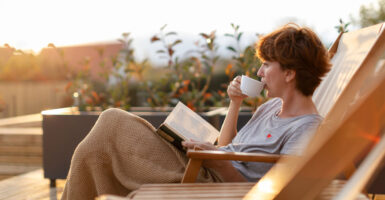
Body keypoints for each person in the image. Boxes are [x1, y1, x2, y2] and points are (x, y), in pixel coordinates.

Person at [61, 23, 331, 199]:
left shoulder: (306, 128)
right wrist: (234, 104)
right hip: (208, 164)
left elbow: (284, 192)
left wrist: (217, 162)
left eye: (267, 64)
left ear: (290, 74)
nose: (259, 72)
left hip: (214, 183)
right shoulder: (272, 107)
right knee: (105, 134)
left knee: (111, 126)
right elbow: (228, 146)